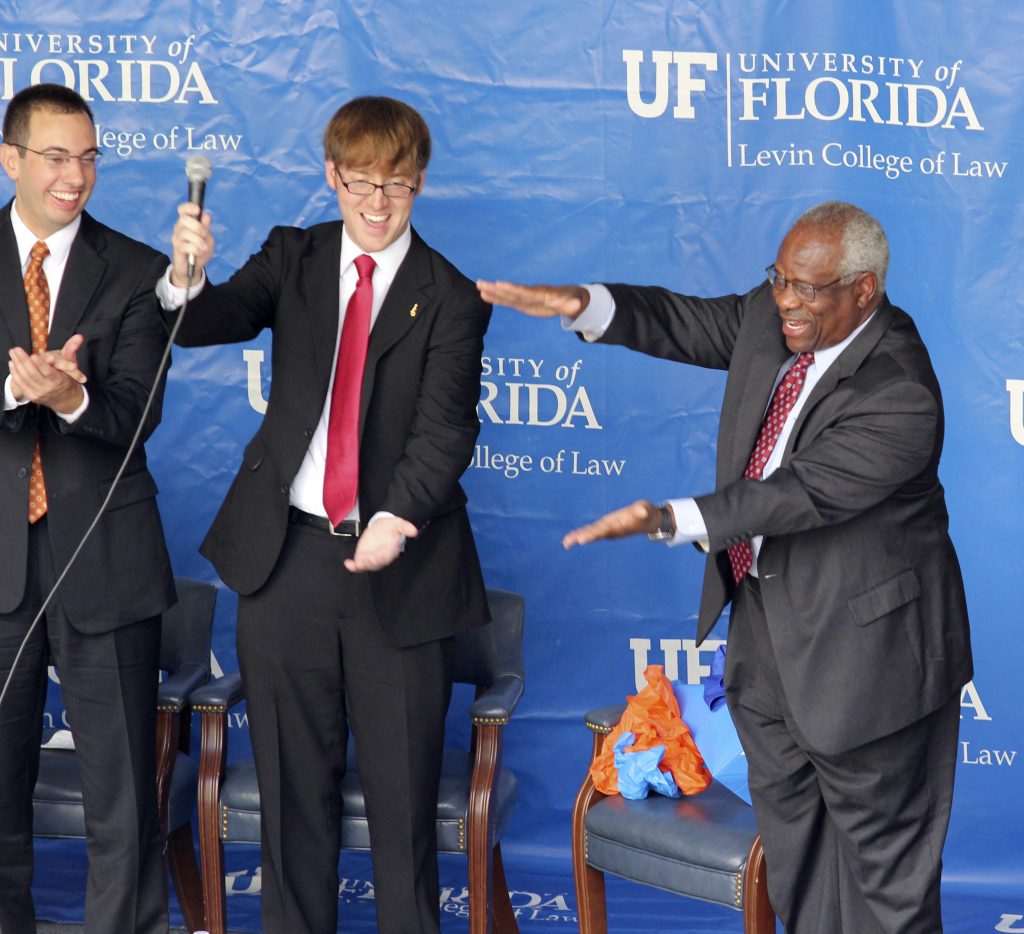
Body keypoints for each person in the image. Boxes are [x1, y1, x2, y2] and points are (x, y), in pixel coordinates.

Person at [478, 201, 972, 933]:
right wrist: (586, 305)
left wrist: (668, 518)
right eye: (778, 280)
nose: (785, 302)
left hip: (872, 667)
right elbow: (685, 321)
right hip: (770, 641)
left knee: (884, 889)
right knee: (800, 858)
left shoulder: (898, 390)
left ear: (863, 290)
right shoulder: (781, 318)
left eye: (807, 289)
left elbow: (798, 496)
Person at [159, 95, 491, 934]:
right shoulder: (294, 255)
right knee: (292, 804)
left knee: (402, 809)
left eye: (396, 186)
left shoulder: (451, 296)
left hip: (401, 572)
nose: (376, 205)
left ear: (420, 183)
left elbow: (447, 429)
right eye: (359, 184)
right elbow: (208, 322)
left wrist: (398, 517)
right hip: (286, 562)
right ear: (331, 176)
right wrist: (183, 277)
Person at [0, 84, 176, 933]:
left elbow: (138, 410)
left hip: (104, 560)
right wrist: (12, 385)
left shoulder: (140, 271)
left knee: (123, 803)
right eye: (56, 157)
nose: (75, 176)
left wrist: (71, 397)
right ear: (12, 160)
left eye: (89, 157)